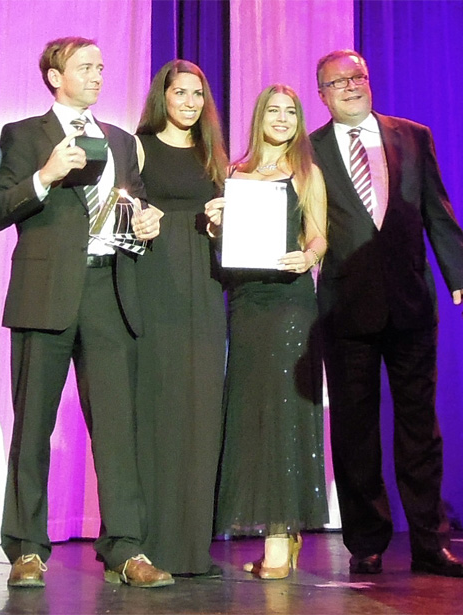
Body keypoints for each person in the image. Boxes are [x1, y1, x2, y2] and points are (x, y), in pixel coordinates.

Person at [0, 36, 172, 589]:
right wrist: (44, 175)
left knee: (118, 428)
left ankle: (126, 547)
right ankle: (26, 548)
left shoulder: (118, 140)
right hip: (44, 294)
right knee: (33, 426)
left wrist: (143, 226)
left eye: (101, 65)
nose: (97, 74)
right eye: (84, 66)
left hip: (108, 293)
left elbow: (131, 209)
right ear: (54, 75)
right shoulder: (23, 135)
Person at [310, 49, 463, 578]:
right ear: (322, 94)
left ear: (369, 79)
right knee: (356, 432)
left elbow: (436, 209)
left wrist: (462, 274)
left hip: (411, 303)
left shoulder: (414, 135)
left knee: (420, 430)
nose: (350, 85)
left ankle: (430, 543)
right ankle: (366, 542)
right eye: (337, 82)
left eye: (357, 75)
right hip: (346, 308)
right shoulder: (307, 150)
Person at [207, 84, 329, 579]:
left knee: (285, 414)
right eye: (274, 110)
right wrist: (216, 225)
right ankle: (276, 536)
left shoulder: (307, 172)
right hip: (246, 301)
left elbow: (319, 233)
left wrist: (310, 255)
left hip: (290, 303)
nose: (282, 118)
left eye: (291, 112)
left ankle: (280, 539)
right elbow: (224, 241)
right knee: (251, 412)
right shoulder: (234, 173)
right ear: (259, 117)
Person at [132, 59, 228, 576]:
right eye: (180, 93)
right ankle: (147, 542)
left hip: (205, 286)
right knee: (159, 403)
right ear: (162, 97)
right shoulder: (139, 146)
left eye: (197, 94)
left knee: (200, 406)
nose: (189, 102)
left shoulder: (214, 154)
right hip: (156, 282)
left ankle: (192, 545)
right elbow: (121, 213)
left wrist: (220, 222)